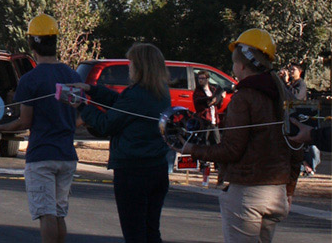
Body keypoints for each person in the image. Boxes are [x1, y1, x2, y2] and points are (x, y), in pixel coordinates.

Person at [183, 29, 303, 243]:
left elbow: (231, 149)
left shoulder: (244, 97)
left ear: (241, 66)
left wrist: (191, 149)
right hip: (277, 191)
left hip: (248, 192)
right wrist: (289, 188)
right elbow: (296, 145)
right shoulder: (283, 94)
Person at [0, 14, 81, 243]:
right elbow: (80, 119)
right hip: (67, 156)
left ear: (32, 43)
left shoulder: (30, 80)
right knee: (59, 213)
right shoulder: (72, 75)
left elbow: (24, 122)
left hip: (42, 155)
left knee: (47, 214)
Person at [75, 43, 171, 243]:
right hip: (157, 167)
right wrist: (93, 90)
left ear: (140, 66)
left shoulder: (136, 95)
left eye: (131, 63)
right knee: (151, 230)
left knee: (134, 233)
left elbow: (106, 124)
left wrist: (82, 107)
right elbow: (122, 104)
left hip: (133, 171)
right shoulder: (160, 92)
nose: (129, 68)